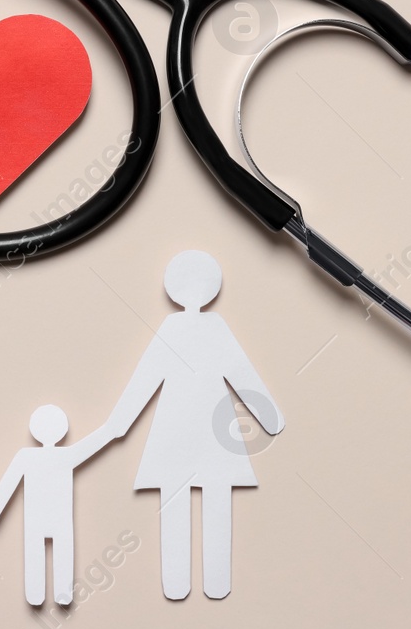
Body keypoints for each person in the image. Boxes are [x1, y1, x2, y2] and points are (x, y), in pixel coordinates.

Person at [105, 250, 283, 599]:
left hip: (181, 429)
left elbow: (150, 376)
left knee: (182, 499)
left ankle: (182, 581)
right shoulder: (206, 327)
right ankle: (206, 582)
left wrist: (120, 422)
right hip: (204, 430)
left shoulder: (177, 327)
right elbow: (238, 371)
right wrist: (269, 417)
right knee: (210, 498)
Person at [0, 405, 114, 606]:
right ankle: (61, 594)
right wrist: (113, 428)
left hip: (37, 522)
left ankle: (38, 596)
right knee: (61, 553)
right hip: (59, 521)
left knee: (36, 554)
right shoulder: (66, 455)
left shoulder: (27, 456)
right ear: (62, 430)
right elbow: (99, 439)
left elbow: (5, 489)